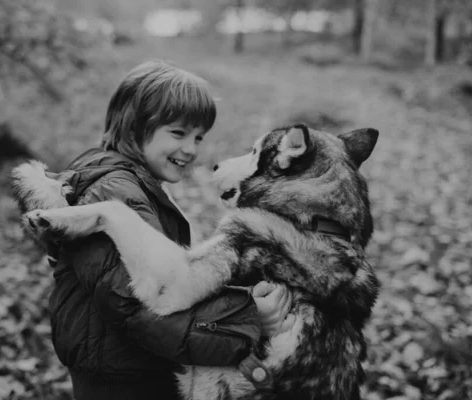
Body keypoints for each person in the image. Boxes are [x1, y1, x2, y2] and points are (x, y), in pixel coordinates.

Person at [43, 60, 294, 400]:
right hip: (122, 384)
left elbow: (169, 288)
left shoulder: (135, 187)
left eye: (198, 137)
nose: (191, 149)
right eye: (178, 133)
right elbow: (140, 308)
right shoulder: (114, 192)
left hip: (138, 372)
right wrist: (248, 321)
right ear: (133, 129)